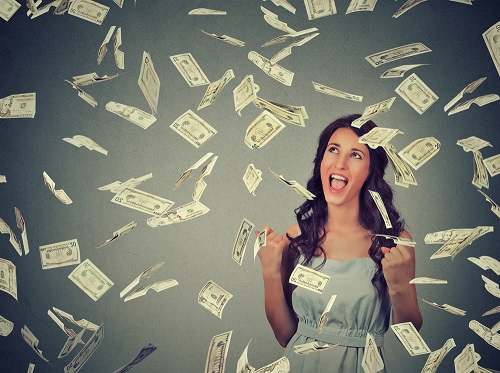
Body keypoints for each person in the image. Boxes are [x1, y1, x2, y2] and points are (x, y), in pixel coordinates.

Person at [255, 114, 422, 372]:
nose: (340, 163)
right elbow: (285, 336)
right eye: (333, 150)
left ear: (369, 171)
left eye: (355, 155)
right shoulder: (297, 238)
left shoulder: (394, 241)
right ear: (322, 160)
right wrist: (269, 271)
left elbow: (409, 333)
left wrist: (399, 286)